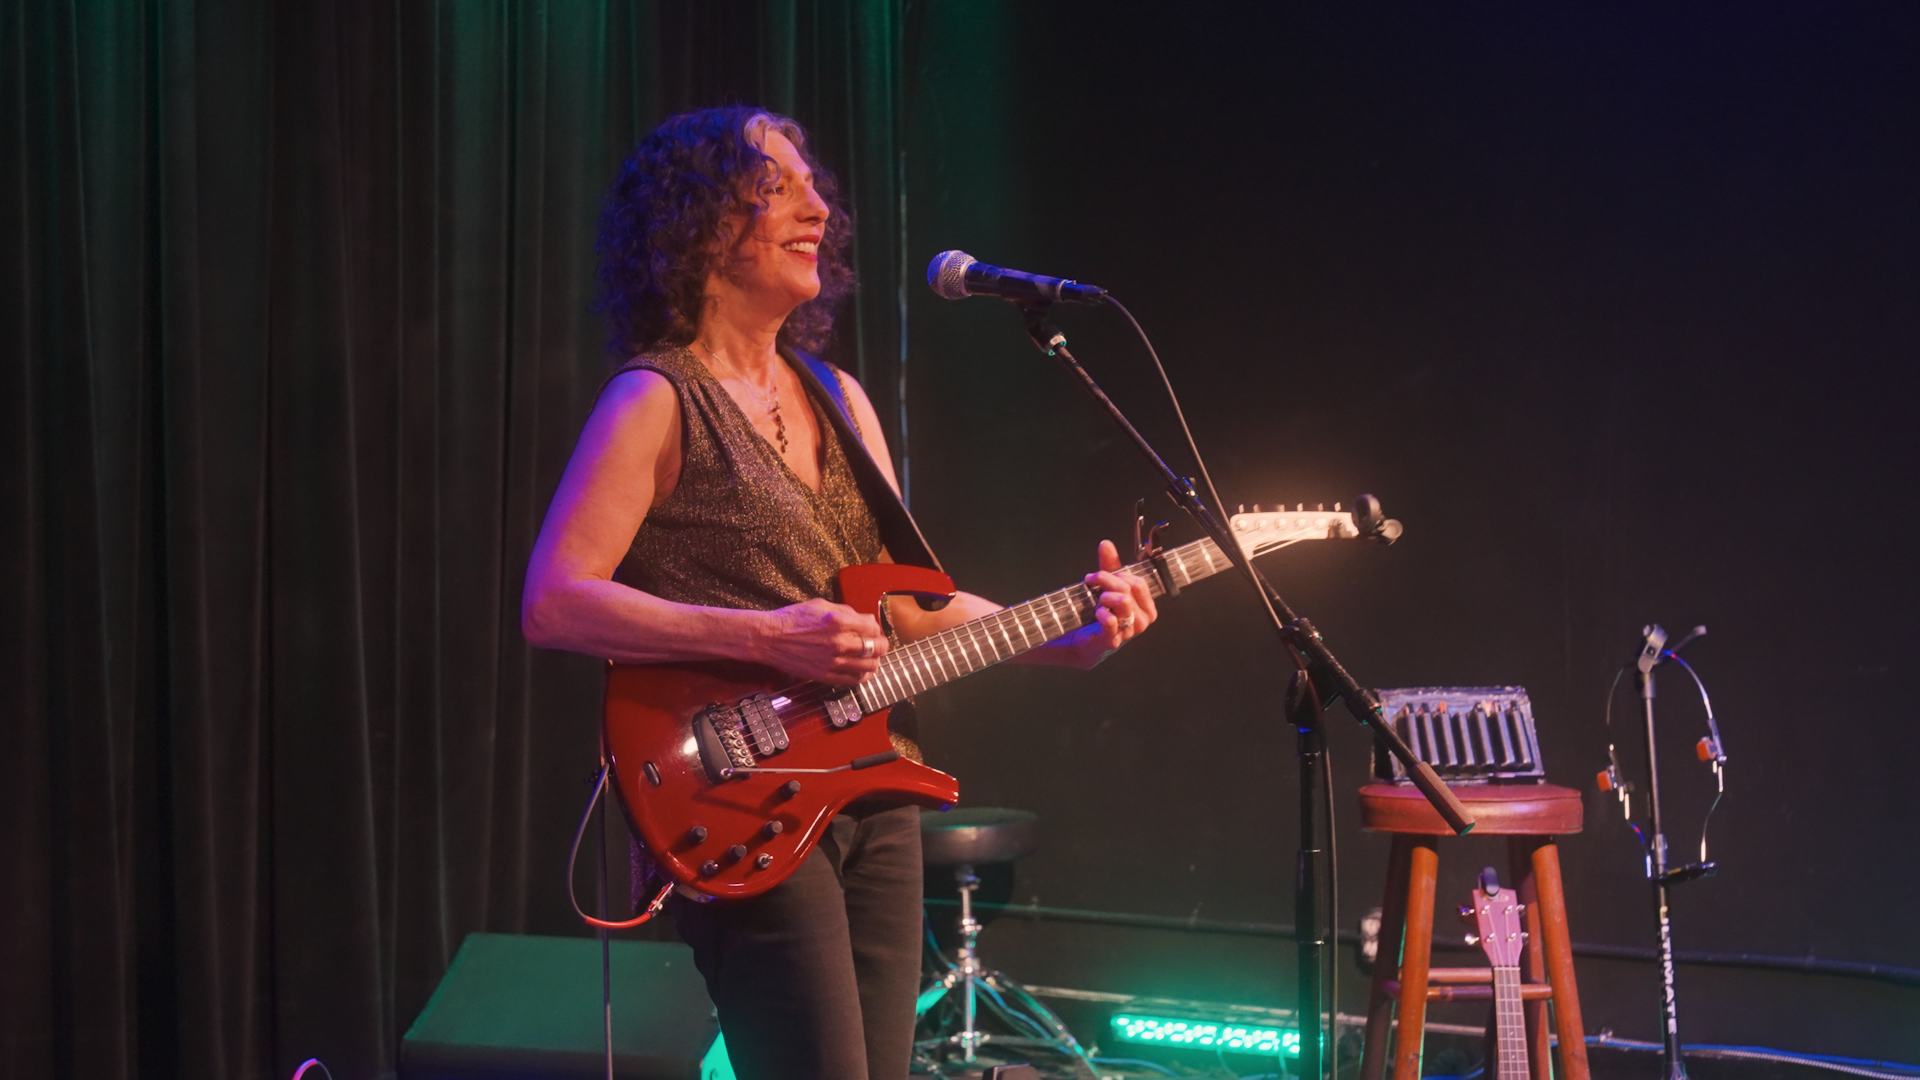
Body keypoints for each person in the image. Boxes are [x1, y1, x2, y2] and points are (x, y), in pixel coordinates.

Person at [521, 105, 1156, 1080]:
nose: (821, 209)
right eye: (779, 187)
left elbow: (907, 609)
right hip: (737, 791)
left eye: (815, 187)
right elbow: (555, 602)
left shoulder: (840, 398)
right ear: (699, 224)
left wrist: (1068, 636)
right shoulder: (654, 397)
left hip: (875, 787)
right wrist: (765, 638)